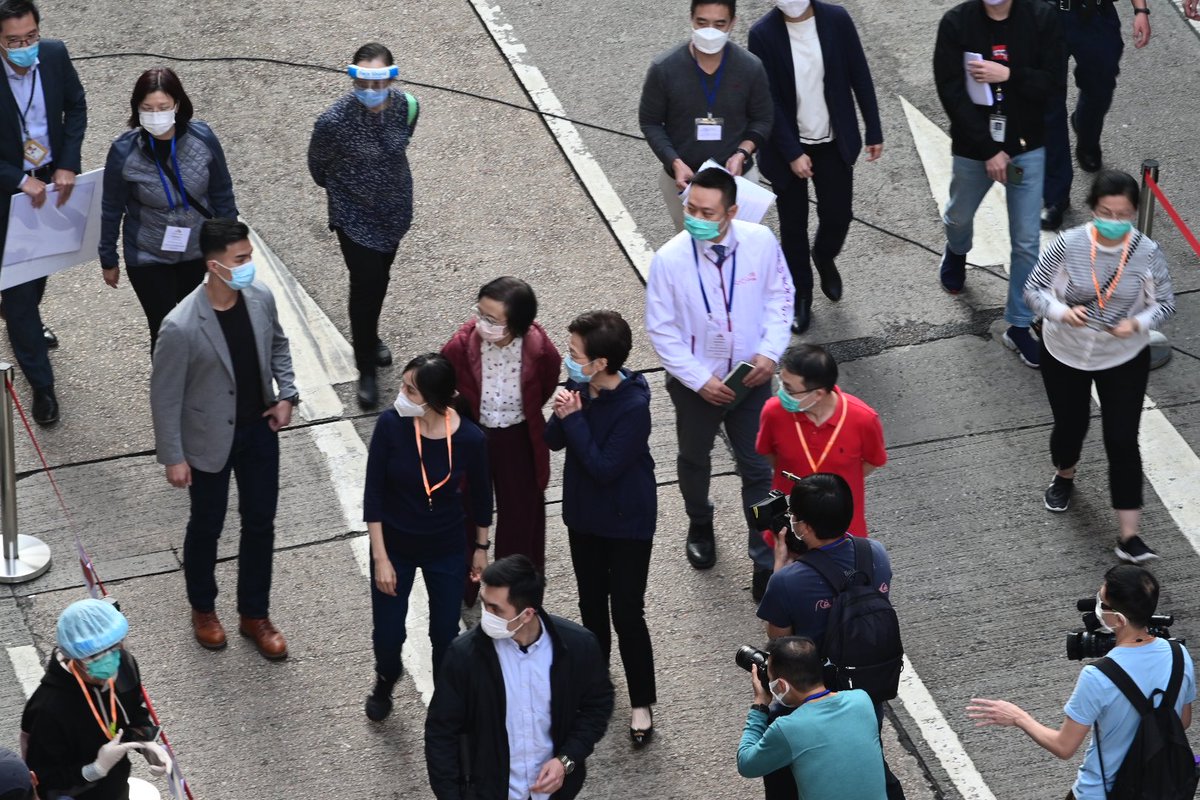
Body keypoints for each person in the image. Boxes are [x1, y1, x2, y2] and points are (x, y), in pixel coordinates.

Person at [150, 218, 298, 660]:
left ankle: (255, 614)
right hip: (207, 440)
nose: (249, 265)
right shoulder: (180, 327)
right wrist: (173, 456)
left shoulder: (259, 298)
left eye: (249, 257)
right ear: (214, 266)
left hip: (258, 431)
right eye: (241, 259)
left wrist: (287, 394)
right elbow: (164, 396)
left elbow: (278, 346)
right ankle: (203, 608)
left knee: (260, 523)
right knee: (207, 526)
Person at [645, 167, 793, 591]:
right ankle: (700, 522)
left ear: (731, 211)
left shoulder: (760, 242)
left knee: (760, 471)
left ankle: (764, 557)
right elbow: (662, 329)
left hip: (751, 380)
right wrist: (697, 379)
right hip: (698, 387)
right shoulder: (670, 259)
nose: (695, 217)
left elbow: (780, 295)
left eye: (706, 211)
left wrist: (770, 353)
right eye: (690, 207)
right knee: (694, 460)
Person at [1024, 170, 1174, 564]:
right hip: (1065, 352)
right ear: (1092, 210)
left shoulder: (1147, 252)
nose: (1113, 220)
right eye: (1106, 212)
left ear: (1135, 212)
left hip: (1122, 356)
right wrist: (1060, 311)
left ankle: (1129, 536)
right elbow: (1034, 290)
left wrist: (1138, 323)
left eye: (1122, 213)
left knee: (1123, 440)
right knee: (1071, 427)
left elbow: (1165, 303)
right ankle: (1065, 474)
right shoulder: (1067, 244)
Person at [967, 565, 1195, 800]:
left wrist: (1017, 717)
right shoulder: (1180, 655)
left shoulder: (1099, 676)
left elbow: (1064, 747)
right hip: (1160, 789)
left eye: (1102, 603)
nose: (1097, 607)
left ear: (1118, 619)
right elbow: (1183, 721)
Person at [545, 310, 658, 746]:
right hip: (585, 518)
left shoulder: (633, 406)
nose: (569, 360)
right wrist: (563, 413)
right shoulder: (578, 388)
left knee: (627, 612)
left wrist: (574, 420)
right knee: (591, 606)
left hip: (627, 522)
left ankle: (641, 701)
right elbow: (550, 440)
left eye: (575, 354)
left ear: (602, 362)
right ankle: (596, 689)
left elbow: (604, 467)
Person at [932, 0, 1066, 368]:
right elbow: (951, 93)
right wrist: (989, 149)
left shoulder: (1042, 19)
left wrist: (1008, 74)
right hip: (975, 150)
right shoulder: (956, 24)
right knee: (958, 216)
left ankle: (1019, 325)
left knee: (1026, 242)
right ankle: (957, 250)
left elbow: (1053, 84)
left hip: (1025, 150)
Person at [756, 473, 904, 799]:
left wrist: (781, 569)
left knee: (788, 782)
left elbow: (779, 642)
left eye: (794, 517)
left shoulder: (788, 582)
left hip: (806, 703)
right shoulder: (876, 553)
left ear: (805, 527)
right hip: (865, 694)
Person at [362, 353, 492, 722]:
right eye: (403, 385)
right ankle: (386, 677)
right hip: (396, 549)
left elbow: (482, 497)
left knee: (444, 633)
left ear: (435, 399)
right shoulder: (391, 425)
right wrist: (381, 558)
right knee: (387, 636)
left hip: (445, 548)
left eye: (410, 390)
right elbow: (373, 496)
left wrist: (481, 548)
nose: (399, 395)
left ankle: (445, 704)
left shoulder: (469, 438)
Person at [425, 555, 614, 800]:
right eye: (485, 604)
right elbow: (441, 733)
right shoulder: (464, 656)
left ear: (526, 614)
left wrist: (565, 761)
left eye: (496, 609)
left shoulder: (578, 647)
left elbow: (598, 706)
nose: (486, 616)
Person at [747, 0, 884, 334]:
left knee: (838, 215)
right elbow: (769, 101)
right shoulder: (762, 34)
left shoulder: (836, 19)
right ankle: (801, 294)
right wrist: (793, 152)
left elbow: (859, 74)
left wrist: (873, 128)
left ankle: (824, 255)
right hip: (786, 149)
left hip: (833, 141)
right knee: (793, 226)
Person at [308, 42, 418, 409]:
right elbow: (318, 168)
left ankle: (368, 336)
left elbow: (400, 145)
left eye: (379, 82)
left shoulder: (406, 106)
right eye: (363, 83)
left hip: (394, 212)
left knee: (381, 279)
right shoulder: (333, 122)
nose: (371, 92)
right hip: (355, 218)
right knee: (366, 284)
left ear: (392, 77)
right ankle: (365, 364)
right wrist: (352, 190)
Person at [99, 67, 238, 353]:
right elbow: (112, 206)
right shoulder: (124, 151)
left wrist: (229, 249)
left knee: (196, 321)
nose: (155, 114)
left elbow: (221, 192)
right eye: (147, 108)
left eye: (163, 107)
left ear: (177, 105)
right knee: (165, 329)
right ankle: (169, 393)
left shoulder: (203, 139)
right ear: (136, 110)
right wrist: (108, 257)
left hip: (196, 250)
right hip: (148, 255)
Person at [0, 0, 86, 426]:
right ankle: (42, 384)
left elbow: (76, 107)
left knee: (37, 276)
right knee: (18, 289)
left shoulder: (54, 55)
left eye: (30, 37)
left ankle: (23, 323)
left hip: (52, 185)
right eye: (14, 42)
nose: (25, 48)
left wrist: (67, 162)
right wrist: (18, 178)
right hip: (9, 193)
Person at [441, 277, 560, 582]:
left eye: (492, 319)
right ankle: (464, 581)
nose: (482, 324)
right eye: (480, 314)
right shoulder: (461, 345)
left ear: (517, 324)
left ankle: (515, 584)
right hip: (473, 435)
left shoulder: (541, 352)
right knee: (463, 506)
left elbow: (544, 386)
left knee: (521, 514)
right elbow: (443, 382)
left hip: (517, 437)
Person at [639, 0, 773, 231]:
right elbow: (650, 122)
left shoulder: (750, 67)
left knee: (740, 249)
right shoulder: (664, 68)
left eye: (719, 24)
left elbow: (763, 119)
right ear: (691, 20)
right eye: (702, 23)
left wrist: (742, 153)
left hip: (737, 182)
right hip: (683, 182)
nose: (710, 31)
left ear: (732, 23)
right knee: (692, 251)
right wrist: (675, 162)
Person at [21, 599, 172, 800]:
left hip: (116, 783)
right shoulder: (48, 709)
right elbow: (43, 778)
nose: (109, 660)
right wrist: (94, 770)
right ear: (74, 656)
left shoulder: (124, 665)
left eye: (114, 647)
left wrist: (146, 743)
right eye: (96, 655)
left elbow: (134, 711)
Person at [756, 345, 886, 543]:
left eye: (789, 389)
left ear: (817, 394)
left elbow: (873, 461)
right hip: (789, 522)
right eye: (782, 383)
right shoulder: (773, 412)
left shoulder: (863, 419)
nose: (782, 393)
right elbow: (768, 453)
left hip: (841, 528)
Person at [1040, 0, 1151, 230]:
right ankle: (1055, 197)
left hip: (1095, 15)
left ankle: (1086, 131)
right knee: (1048, 104)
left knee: (1101, 87)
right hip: (1047, 14)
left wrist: (1140, 10)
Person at [737, 636, 886, 799]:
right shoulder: (861, 700)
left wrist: (760, 705)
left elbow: (746, 764)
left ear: (781, 686)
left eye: (770, 678)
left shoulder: (787, 728)